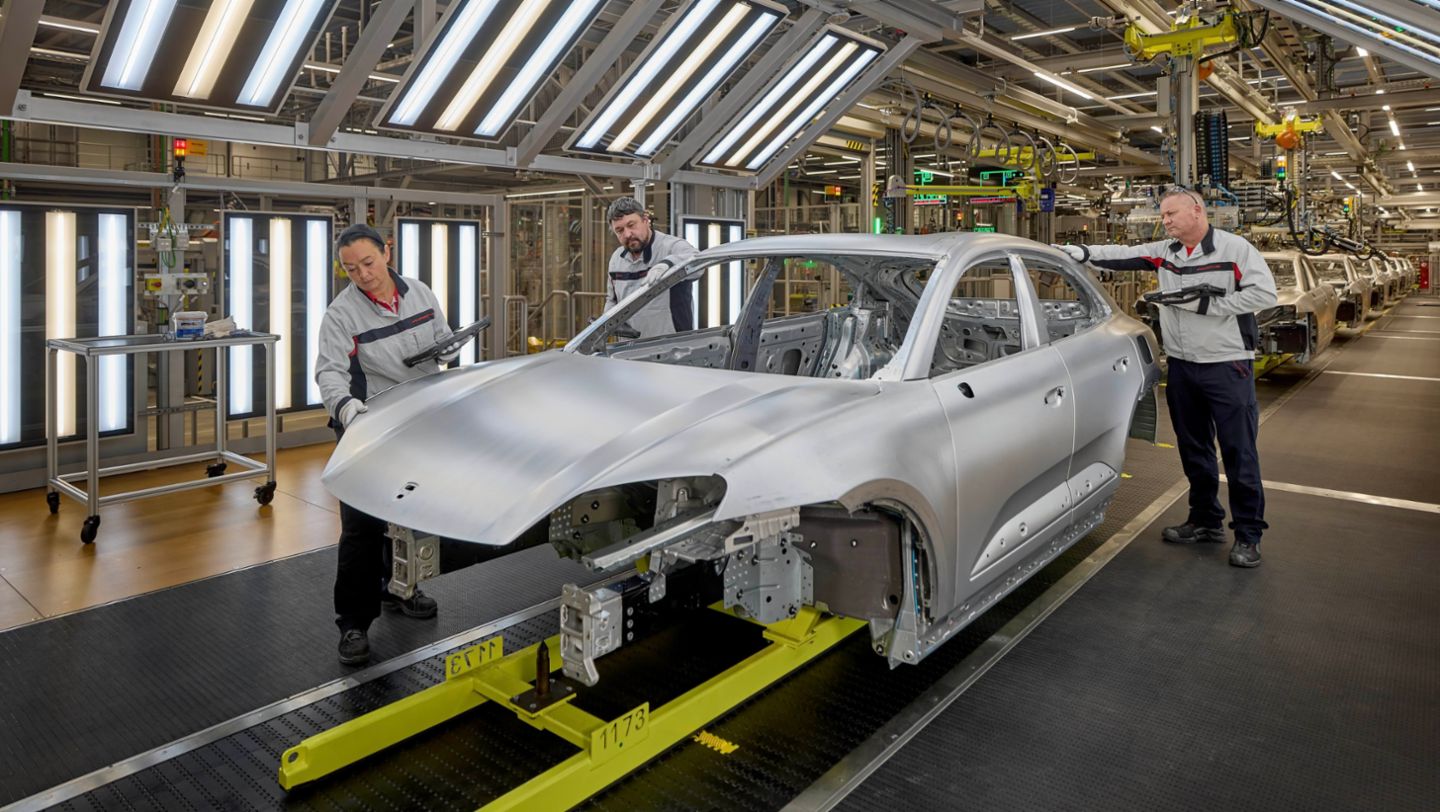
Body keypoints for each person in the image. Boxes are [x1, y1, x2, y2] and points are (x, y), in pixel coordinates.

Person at [1056, 187, 1279, 568]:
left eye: (1171, 214)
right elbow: (1124, 255)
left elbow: (1265, 294)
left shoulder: (1234, 250)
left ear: (1196, 211)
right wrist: (1084, 254)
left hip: (1227, 365)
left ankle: (1248, 534)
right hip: (1182, 365)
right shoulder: (1166, 253)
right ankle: (1205, 520)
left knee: (1239, 452)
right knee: (1194, 449)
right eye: (1163, 216)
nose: (1166, 221)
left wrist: (1210, 305)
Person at [315, 223, 456, 665]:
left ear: (387, 253)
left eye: (368, 263)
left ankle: (401, 588)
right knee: (362, 524)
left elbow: (442, 339)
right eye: (350, 269)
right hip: (365, 422)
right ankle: (354, 622)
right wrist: (345, 408)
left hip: (417, 417)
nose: (362, 274)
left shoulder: (420, 293)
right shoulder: (341, 315)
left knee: (406, 512)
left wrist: (448, 353)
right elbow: (329, 372)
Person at [604, 197, 698, 337]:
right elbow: (612, 299)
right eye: (620, 230)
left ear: (645, 220)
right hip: (628, 348)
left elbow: (697, 262)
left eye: (631, 225)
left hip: (672, 347)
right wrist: (607, 320)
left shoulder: (672, 246)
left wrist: (667, 264)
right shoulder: (617, 259)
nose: (627, 234)